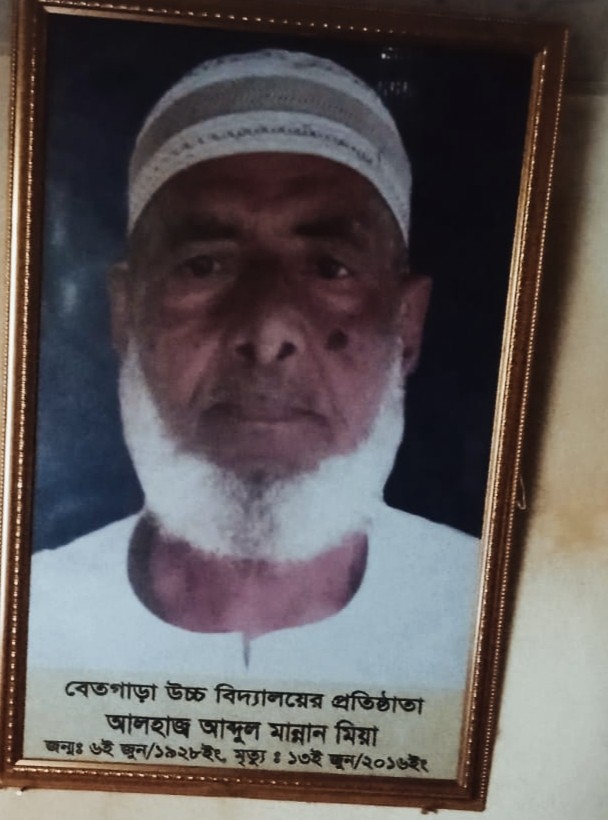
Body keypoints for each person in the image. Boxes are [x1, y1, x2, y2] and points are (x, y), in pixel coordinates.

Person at [28, 50, 479, 689]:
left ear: (406, 325)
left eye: (329, 268)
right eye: (204, 266)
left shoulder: (495, 613)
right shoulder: (30, 616)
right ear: (126, 315)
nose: (267, 333)